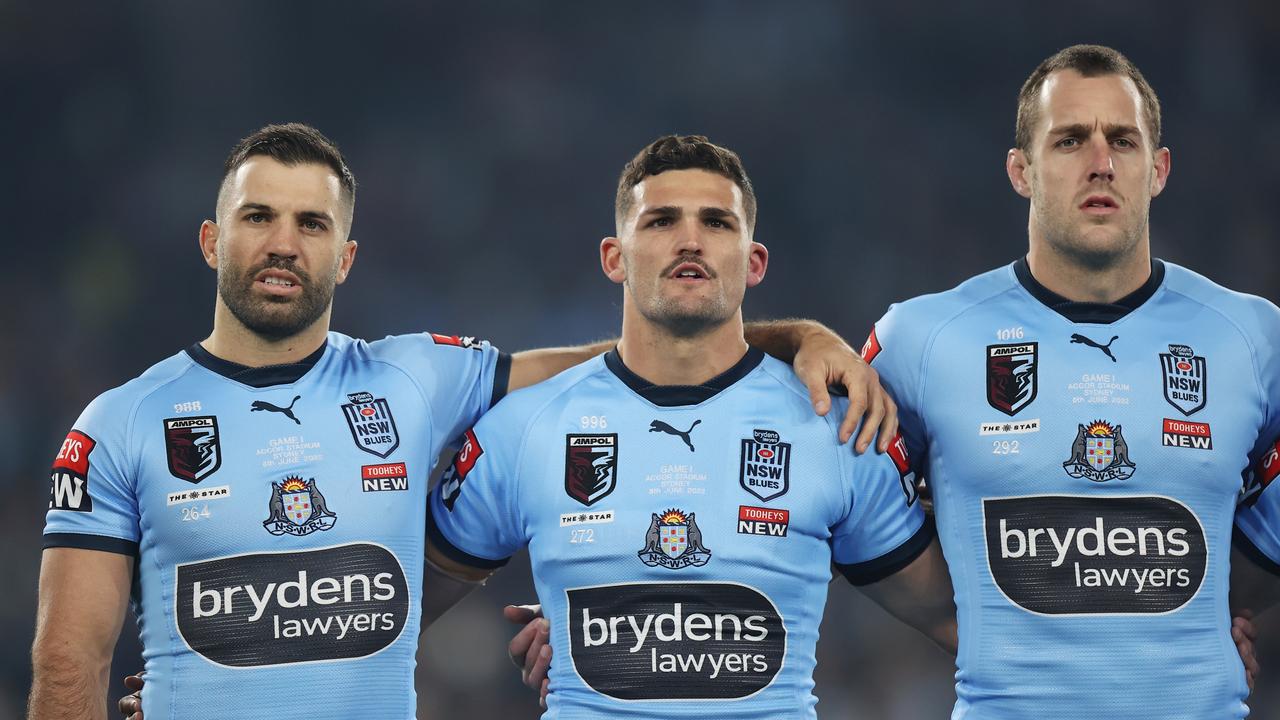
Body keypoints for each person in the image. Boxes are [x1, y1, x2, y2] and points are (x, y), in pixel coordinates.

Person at [31, 124, 896, 720]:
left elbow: (632, 363)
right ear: (213, 241)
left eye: (312, 223)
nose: (284, 243)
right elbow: (67, 663)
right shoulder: (121, 422)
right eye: (258, 218)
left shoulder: (415, 377)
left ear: (347, 255)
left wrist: (793, 338)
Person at [423, 134, 958, 718]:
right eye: (659, 222)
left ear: (754, 262)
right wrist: (594, 620)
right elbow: (387, 616)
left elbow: (956, 620)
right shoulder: (523, 428)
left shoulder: (836, 426)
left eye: (717, 222)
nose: (690, 240)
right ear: (614, 257)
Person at [859, 44, 1279, 717]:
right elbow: (852, 501)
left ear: (1159, 169)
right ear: (1021, 170)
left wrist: (1210, 613)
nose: (1101, 163)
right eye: (1070, 140)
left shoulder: (1255, 338)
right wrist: (962, 623)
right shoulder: (920, 339)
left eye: (1123, 140)